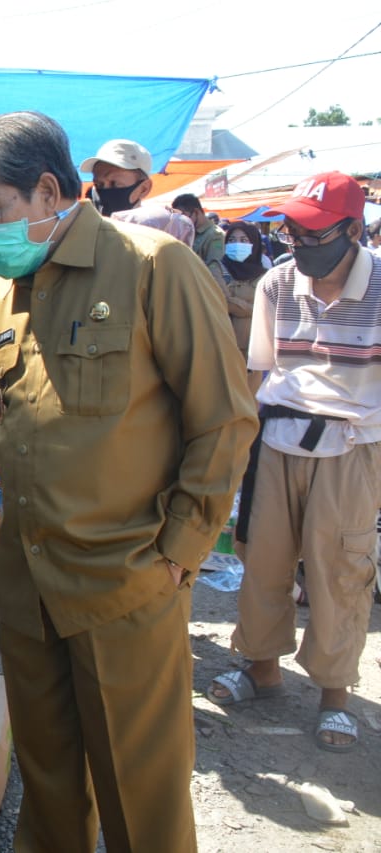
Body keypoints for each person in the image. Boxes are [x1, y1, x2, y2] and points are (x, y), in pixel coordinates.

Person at [0, 111, 258, 852]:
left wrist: (178, 553)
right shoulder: (1, 288)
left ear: (47, 191)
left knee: (138, 801)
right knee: (49, 787)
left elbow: (225, 419)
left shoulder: (154, 267)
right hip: (28, 585)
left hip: (124, 582)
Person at [209, 172, 381, 754]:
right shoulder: (276, 284)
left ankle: (335, 692)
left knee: (340, 570)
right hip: (277, 439)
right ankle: (262, 667)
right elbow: (260, 371)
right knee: (263, 560)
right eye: (290, 230)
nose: (297, 241)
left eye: (311, 232)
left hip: (352, 447)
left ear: (351, 229)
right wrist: (238, 446)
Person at [80, 138, 194, 242]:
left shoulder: (162, 230)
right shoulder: (84, 230)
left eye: (115, 184)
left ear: (144, 189)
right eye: (99, 184)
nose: (104, 191)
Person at [220, 220, 268, 396]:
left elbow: (268, 306)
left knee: (250, 400)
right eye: (232, 240)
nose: (237, 244)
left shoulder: (264, 275)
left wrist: (236, 303)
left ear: (254, 244)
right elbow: (220, 300)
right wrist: (252, 307)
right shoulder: (217, 268)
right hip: (223, 346)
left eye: (243, 240)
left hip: (252, 350)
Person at [174, 192, 228, 289]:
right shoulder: (189, 232)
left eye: (184, 216)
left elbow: (214, 269)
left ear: (196, 212)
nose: (181, 221)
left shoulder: (215, 235)